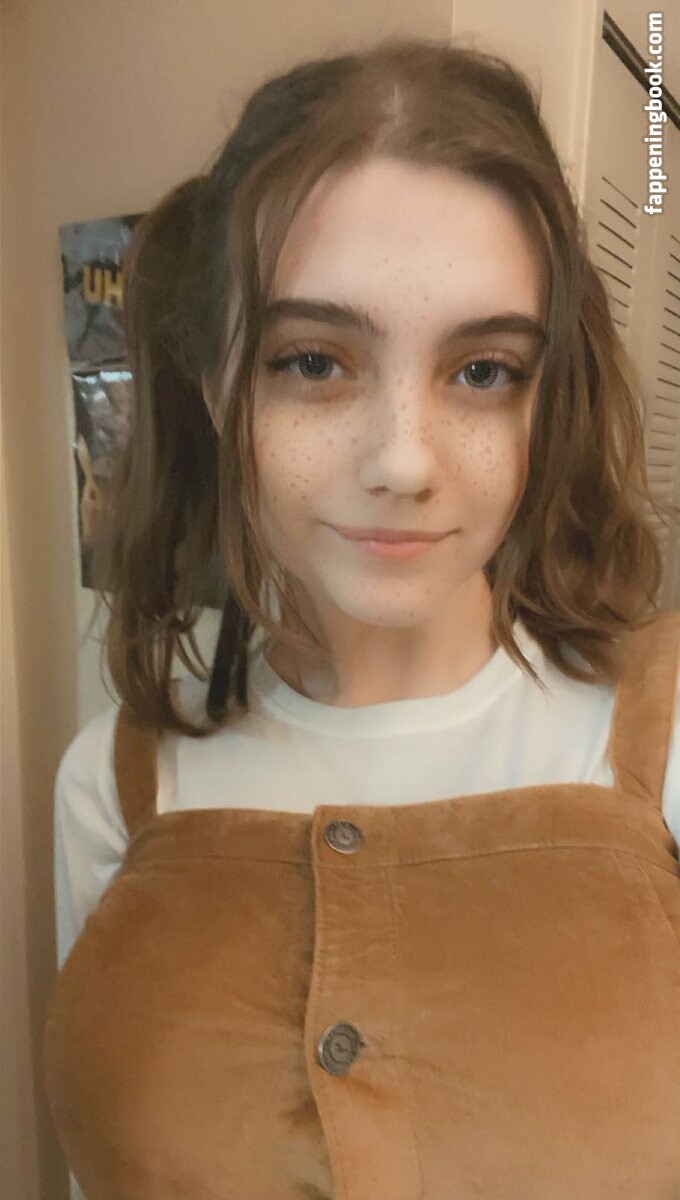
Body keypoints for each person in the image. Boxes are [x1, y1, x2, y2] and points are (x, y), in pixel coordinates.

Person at [42, 36, 680, 1200]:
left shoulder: (660, 736)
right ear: (217, 386)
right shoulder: (113, 785)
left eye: (481, 371)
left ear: (542, 398)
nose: (402, 460)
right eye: (313, 362)